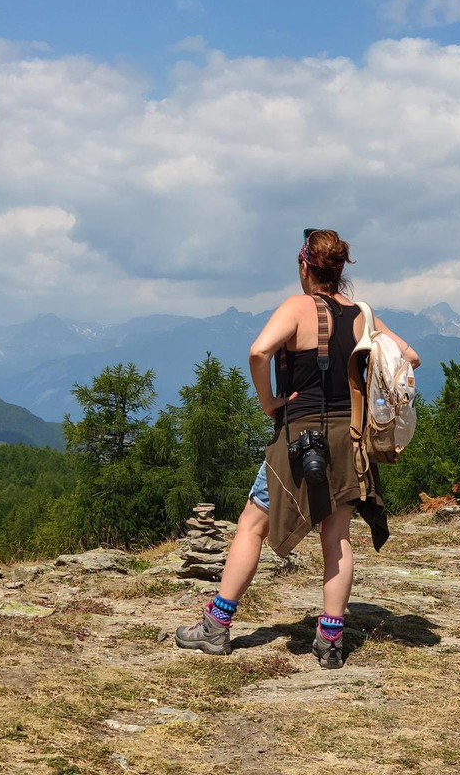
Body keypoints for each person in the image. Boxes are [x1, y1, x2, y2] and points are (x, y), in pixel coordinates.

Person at [175, 228, 420, 668]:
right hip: (348, 440)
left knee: (252, 524)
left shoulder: (296, 307)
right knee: (337, 536)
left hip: (299, 436)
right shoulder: (362, 314)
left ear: (305, 266)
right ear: (340, 270)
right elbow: (411, 357)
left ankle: (216, 626)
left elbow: (258, 351)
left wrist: (268, 401)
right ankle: (330, 641)